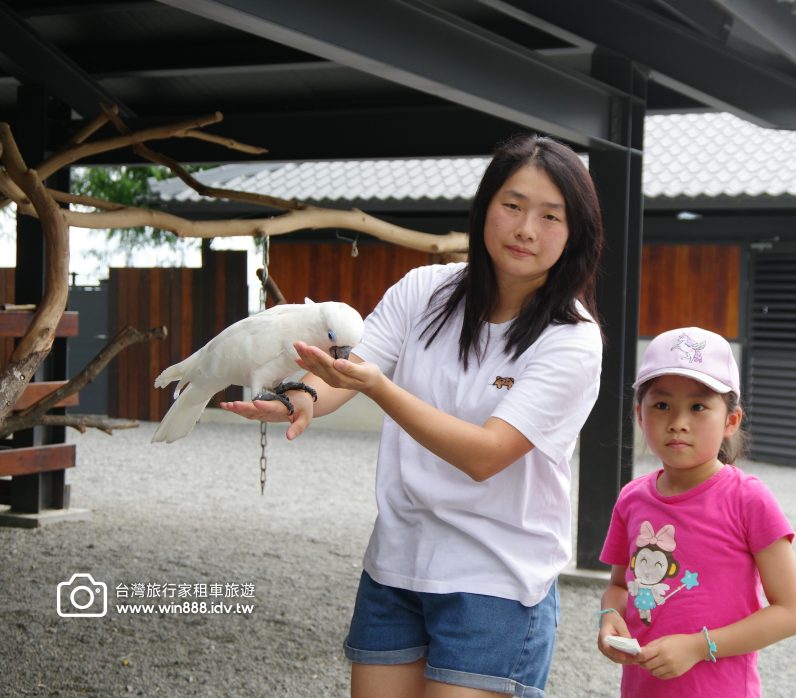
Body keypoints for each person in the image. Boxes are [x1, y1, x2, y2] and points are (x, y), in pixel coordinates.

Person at [223, 133, 605, 698]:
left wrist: (381, 390)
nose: (527, 228)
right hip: (396, 563)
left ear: (575, 233)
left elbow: (485, 455)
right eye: (513, 205)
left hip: (497, 581)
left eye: (551, 216)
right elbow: (352, 367)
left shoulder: (572, 339)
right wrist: (299, 397)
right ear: (486, 208)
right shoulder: (426, 289)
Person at [597, 327, 796, 697]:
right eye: (662, 405)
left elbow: (791, 612)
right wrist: (610, 617)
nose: (678, 422)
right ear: (640, 416)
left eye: (698, 407)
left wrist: (698, 646)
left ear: (731, 421)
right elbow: (618, 587)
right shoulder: (631, 499)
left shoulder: (748, 499)